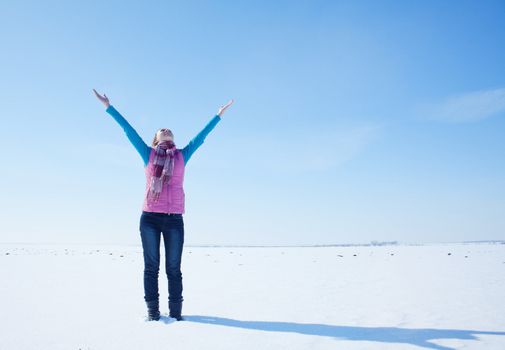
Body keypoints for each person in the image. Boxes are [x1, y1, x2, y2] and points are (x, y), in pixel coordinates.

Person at [93, 89, 233, 321]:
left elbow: (201, 137)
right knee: (151, 267)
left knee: (173, 268)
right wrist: (109, 107)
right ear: (156, 139)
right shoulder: (147, 154)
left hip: (174, 219)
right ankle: (153, 313)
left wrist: (218, 115)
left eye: (169, 130)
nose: (166, 131)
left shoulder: (181, 156)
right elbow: (129, 131)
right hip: (149, 217)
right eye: (162, 130)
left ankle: (177, 314)